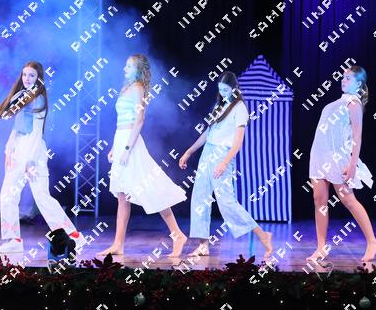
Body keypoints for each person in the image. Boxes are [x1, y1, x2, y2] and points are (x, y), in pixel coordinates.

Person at [0, 61, 86, 253]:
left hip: (32, 150)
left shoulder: (38, 99)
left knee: (35, 196)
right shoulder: (21, 96)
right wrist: (8, 150)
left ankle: (73, 236)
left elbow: (35, 132)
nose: (27, 78)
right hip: (20, 148)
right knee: (15, 195)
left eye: (31, 75)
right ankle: (14, 239)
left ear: (38, 78)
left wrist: (30, 160)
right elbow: (17, 128)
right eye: (24, 74)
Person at [98, 54, 188, 257]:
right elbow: (121, 122)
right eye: (126, 65)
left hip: (131, 144)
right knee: (122, 195)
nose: (125, 69)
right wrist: (115, 147)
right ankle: (118, 244)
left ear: (138, 70)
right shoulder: (126, 88)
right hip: (121, 140)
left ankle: (178, 235)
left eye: (129, 66)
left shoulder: (138, 89)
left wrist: (127, 148)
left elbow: (139, 120)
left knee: (151, 189)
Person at [179, 71, 273, 258]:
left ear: (234, 88)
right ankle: (203, 245)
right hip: (207, 153)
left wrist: (224, 162)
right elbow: (208, 133)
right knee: (199, 198)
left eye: (225, 90)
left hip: (223, 154)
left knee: (226, 202)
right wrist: (189, 151)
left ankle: (263, 235)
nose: (222, 93)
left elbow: (238, 142)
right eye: (220, 89)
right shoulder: (219, 105)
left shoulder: (240, 108)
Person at [307, 65, 376, 264]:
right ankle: (321, 247)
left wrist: (353, 164)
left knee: (348, 200)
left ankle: (372, 242)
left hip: (336, 157)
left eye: (348, 78)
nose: (343, 80)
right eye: (343, 77)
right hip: (319, 156)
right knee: (319, 201)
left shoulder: (353, 103)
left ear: (359, 84)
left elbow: (357, 136)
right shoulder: (339, 101)